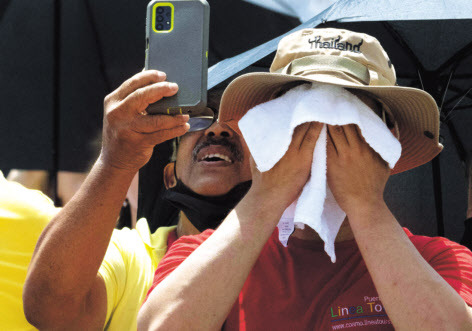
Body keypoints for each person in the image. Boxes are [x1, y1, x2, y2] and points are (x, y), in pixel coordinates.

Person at [139, 28, 472, 330]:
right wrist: (267, 195)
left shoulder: (441, 260)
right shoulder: (200, 253)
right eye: (299, 117)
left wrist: (365, 205)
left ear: (385, 147)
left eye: (347, 122)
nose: (320, 140)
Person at [21, 70, 252, 330]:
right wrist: (115, 160)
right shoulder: (133, 256)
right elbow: (51, 309)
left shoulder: (294, 263)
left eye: (243, 122)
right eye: (200, 118)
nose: (218, 129)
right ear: (169, 177)